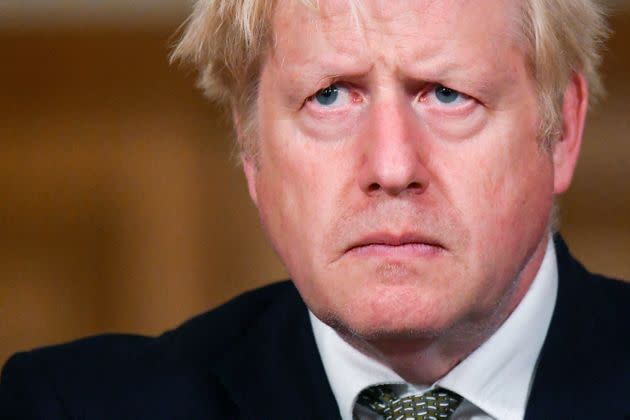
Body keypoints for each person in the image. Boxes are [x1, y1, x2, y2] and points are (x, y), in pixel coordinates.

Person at [1, 0, 628, 419]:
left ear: (563, 128)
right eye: (328, 97)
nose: (391, 167)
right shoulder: (70, 406)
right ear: (250, 146)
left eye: (446, 94)